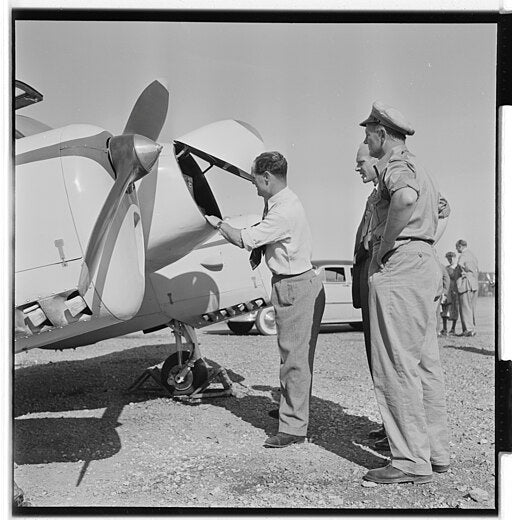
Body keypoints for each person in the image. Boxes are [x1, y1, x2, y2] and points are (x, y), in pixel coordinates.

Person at [206, 151, 325, 448]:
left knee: (294, 361)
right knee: (293, 357)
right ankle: (293, 412)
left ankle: (294, 429)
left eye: (256, 181)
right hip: (295, 284)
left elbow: (245, 239)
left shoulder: (282, 212)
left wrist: (217, 222)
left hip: (294, 286)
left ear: (268, 177)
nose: (254, 186)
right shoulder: (283, 203)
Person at [359, 101, 451, 485]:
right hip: (422, 265)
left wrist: (385, 248)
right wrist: (424, 247)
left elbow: (405, 199)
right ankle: (434, 452)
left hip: (401, 268)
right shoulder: (420, 168)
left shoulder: (397, 165)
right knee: (424, 364)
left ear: (382, 134)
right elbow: (443, 209)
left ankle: (411, 460)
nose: (365, 138)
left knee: (396, 364)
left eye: (368, 133)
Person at [352, 143, 387, 446]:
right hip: (366, 272)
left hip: (380, 271)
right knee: (374, 354)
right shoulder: (375, 193)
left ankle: (398, 432)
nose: (357, 167)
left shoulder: (395, 183)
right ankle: (389, 424)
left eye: (361, 161)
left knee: (387, 356)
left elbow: (441, 208)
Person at [454, 239, 479, 336]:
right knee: (471, 307)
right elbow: (477, 269)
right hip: (474, 284)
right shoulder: (472, 255)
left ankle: (468, 330)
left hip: (466, 283)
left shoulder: (463, 255)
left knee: (465, 307)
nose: (456, 250)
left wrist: (462, 273)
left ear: (460, 246)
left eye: (456, 247)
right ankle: (470, 328)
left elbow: (460, 265)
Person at [440, 251, 460, 336]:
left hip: (455, 290)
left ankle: (453, 329)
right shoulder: (446, 268)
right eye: (448, 258)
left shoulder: (458, 268)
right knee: (445, 308)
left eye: (451, 258)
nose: (450, 260)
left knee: (454, 309)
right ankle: (444, 328)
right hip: (447, 290)